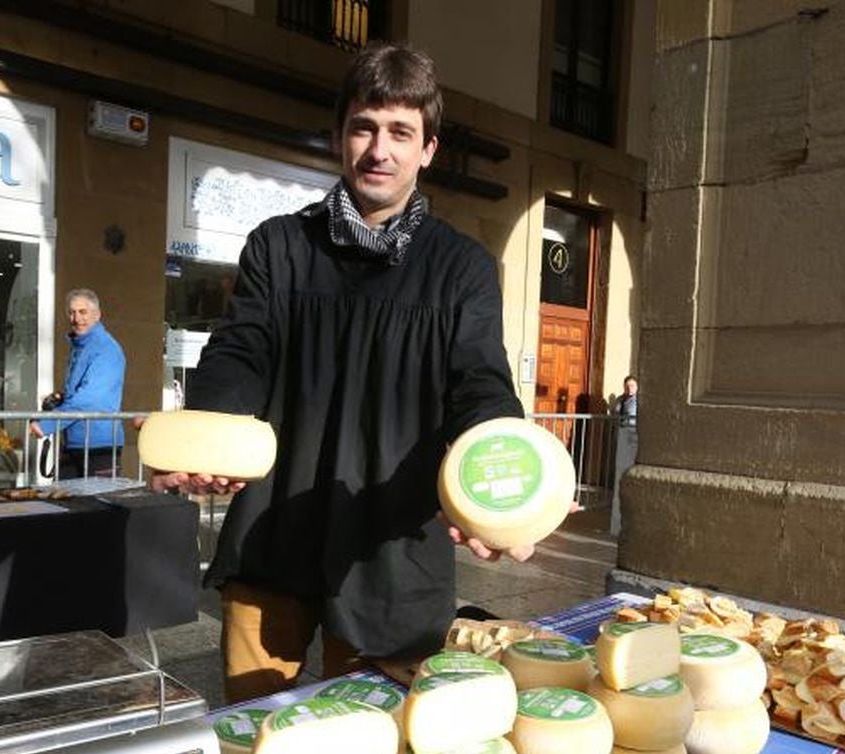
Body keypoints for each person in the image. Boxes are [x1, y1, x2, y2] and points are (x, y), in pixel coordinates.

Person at [150, 43, 539, 703]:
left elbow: (479, 382)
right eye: (363, 127)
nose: (378, 149)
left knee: (369, 753)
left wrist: (500, 484)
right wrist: (208, 426)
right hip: (275, 534)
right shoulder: (280, 245)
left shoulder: (462, 268)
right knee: (254, 740)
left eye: (399, 132)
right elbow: (240, 348)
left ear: (428, 149)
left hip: (392, 549)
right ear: (338, 137)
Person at [31, 288, 126, 478]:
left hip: (98, 446)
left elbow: (91, 399)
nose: (77, 318)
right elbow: (82, 394)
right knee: (66, 503)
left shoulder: (105, 349)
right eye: (72, 312)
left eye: (83, 312)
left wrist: (47, 423)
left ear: (97, 315)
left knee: (97, 506)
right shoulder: (82, 346)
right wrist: (62, 399)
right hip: (75, 441)